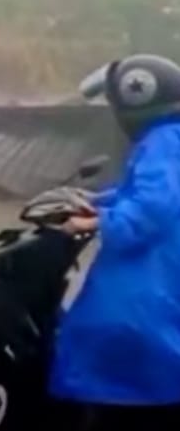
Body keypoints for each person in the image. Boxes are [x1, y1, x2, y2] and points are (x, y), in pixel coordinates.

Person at [49, 53, 180, 430]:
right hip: (158, 263)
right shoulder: (168, 138)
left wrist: (102, 221)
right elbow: (137, 191)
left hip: (150, 271)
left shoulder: (163, 141)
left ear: (138, 98)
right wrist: (94, 201)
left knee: (105, 331)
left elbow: (154, 207)